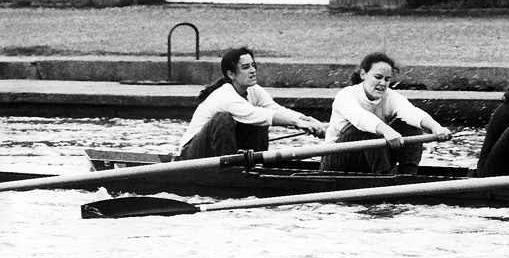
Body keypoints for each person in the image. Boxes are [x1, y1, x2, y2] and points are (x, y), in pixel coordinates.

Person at [179, 47, 326, 160]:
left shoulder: (254, 90)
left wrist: (306, 120)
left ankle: (255, 165)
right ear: (231, 74)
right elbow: (257, 115)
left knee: (261, 117)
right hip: (191, 155)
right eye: (246, 67)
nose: (253, 71)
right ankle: (231, 173)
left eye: (253, 65)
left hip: (217, 152)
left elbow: (276, 110)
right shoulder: (224, 95)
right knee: (224, 118)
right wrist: (298, 122)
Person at [319, 52, 452, 175]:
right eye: (378, 77)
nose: (383, 83)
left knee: (409, 124)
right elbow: (362, 118)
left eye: (387, 79)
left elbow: (411, 112)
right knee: (368, 130)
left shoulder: (390, 96)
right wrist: (387, 130)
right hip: (337, 162)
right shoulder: (346, 95)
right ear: (363, 74)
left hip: (371, 157)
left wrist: (436, 127)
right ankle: (385, 180)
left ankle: (409, 176)